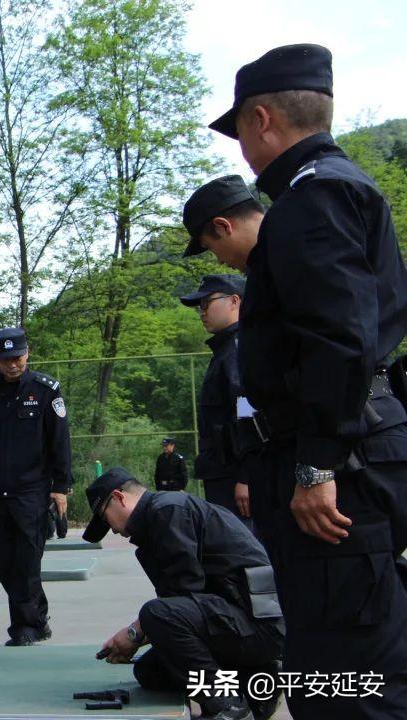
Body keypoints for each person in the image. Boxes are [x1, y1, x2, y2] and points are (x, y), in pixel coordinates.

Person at [211, 43, 407, 718]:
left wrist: (316, 464)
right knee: (356, 657)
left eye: (239, 131)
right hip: (357, 450)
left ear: (262, 119)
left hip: (337, 468)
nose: (242, 147)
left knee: (345, 677)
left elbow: (342, 338)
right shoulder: (339, 186)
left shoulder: (310, 200)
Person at [85, 468, 283, 720]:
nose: (111, 530)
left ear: (119, 497)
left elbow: (182, 596)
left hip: (258, 626)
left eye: (106, 519)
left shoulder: (168, 511)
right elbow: (185, 606)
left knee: (155, 614)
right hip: (236, 619)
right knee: (150, 671)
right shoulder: (161, 516)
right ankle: (254, 680)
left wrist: (134, 634)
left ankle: (227, 704)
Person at [0, 328, 72, 646]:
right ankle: (37, 619)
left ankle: (25, 626)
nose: (12, 364)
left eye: (17, 358)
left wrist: (60, 486)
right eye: (5, 359)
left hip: (32, 491)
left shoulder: (46, 390)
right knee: (4, 562)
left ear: (27, 354)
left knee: (27, 561)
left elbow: (60, 441)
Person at [177, 274, 252, 528]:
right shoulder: (226, 349)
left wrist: (247, 475)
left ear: (234, 301)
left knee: (245, 552)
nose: (202, 311)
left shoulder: (239, 349)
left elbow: (247, 412)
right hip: (223, 471)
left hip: (234, 475)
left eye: (207, 303)